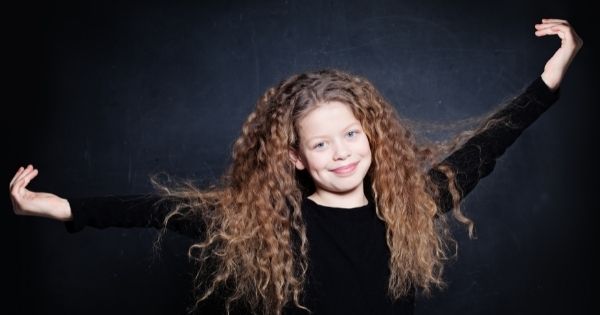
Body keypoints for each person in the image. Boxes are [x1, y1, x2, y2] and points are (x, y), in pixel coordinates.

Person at [9, 18, 582, 315]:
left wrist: (551, 78)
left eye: (352, 135)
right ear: (296, 158)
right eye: (322, 145)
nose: (342, 153)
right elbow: (158, 210)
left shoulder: (411, 204)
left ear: (372, 137)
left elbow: (488, 146)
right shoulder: (266, 224)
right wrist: (59, 206)